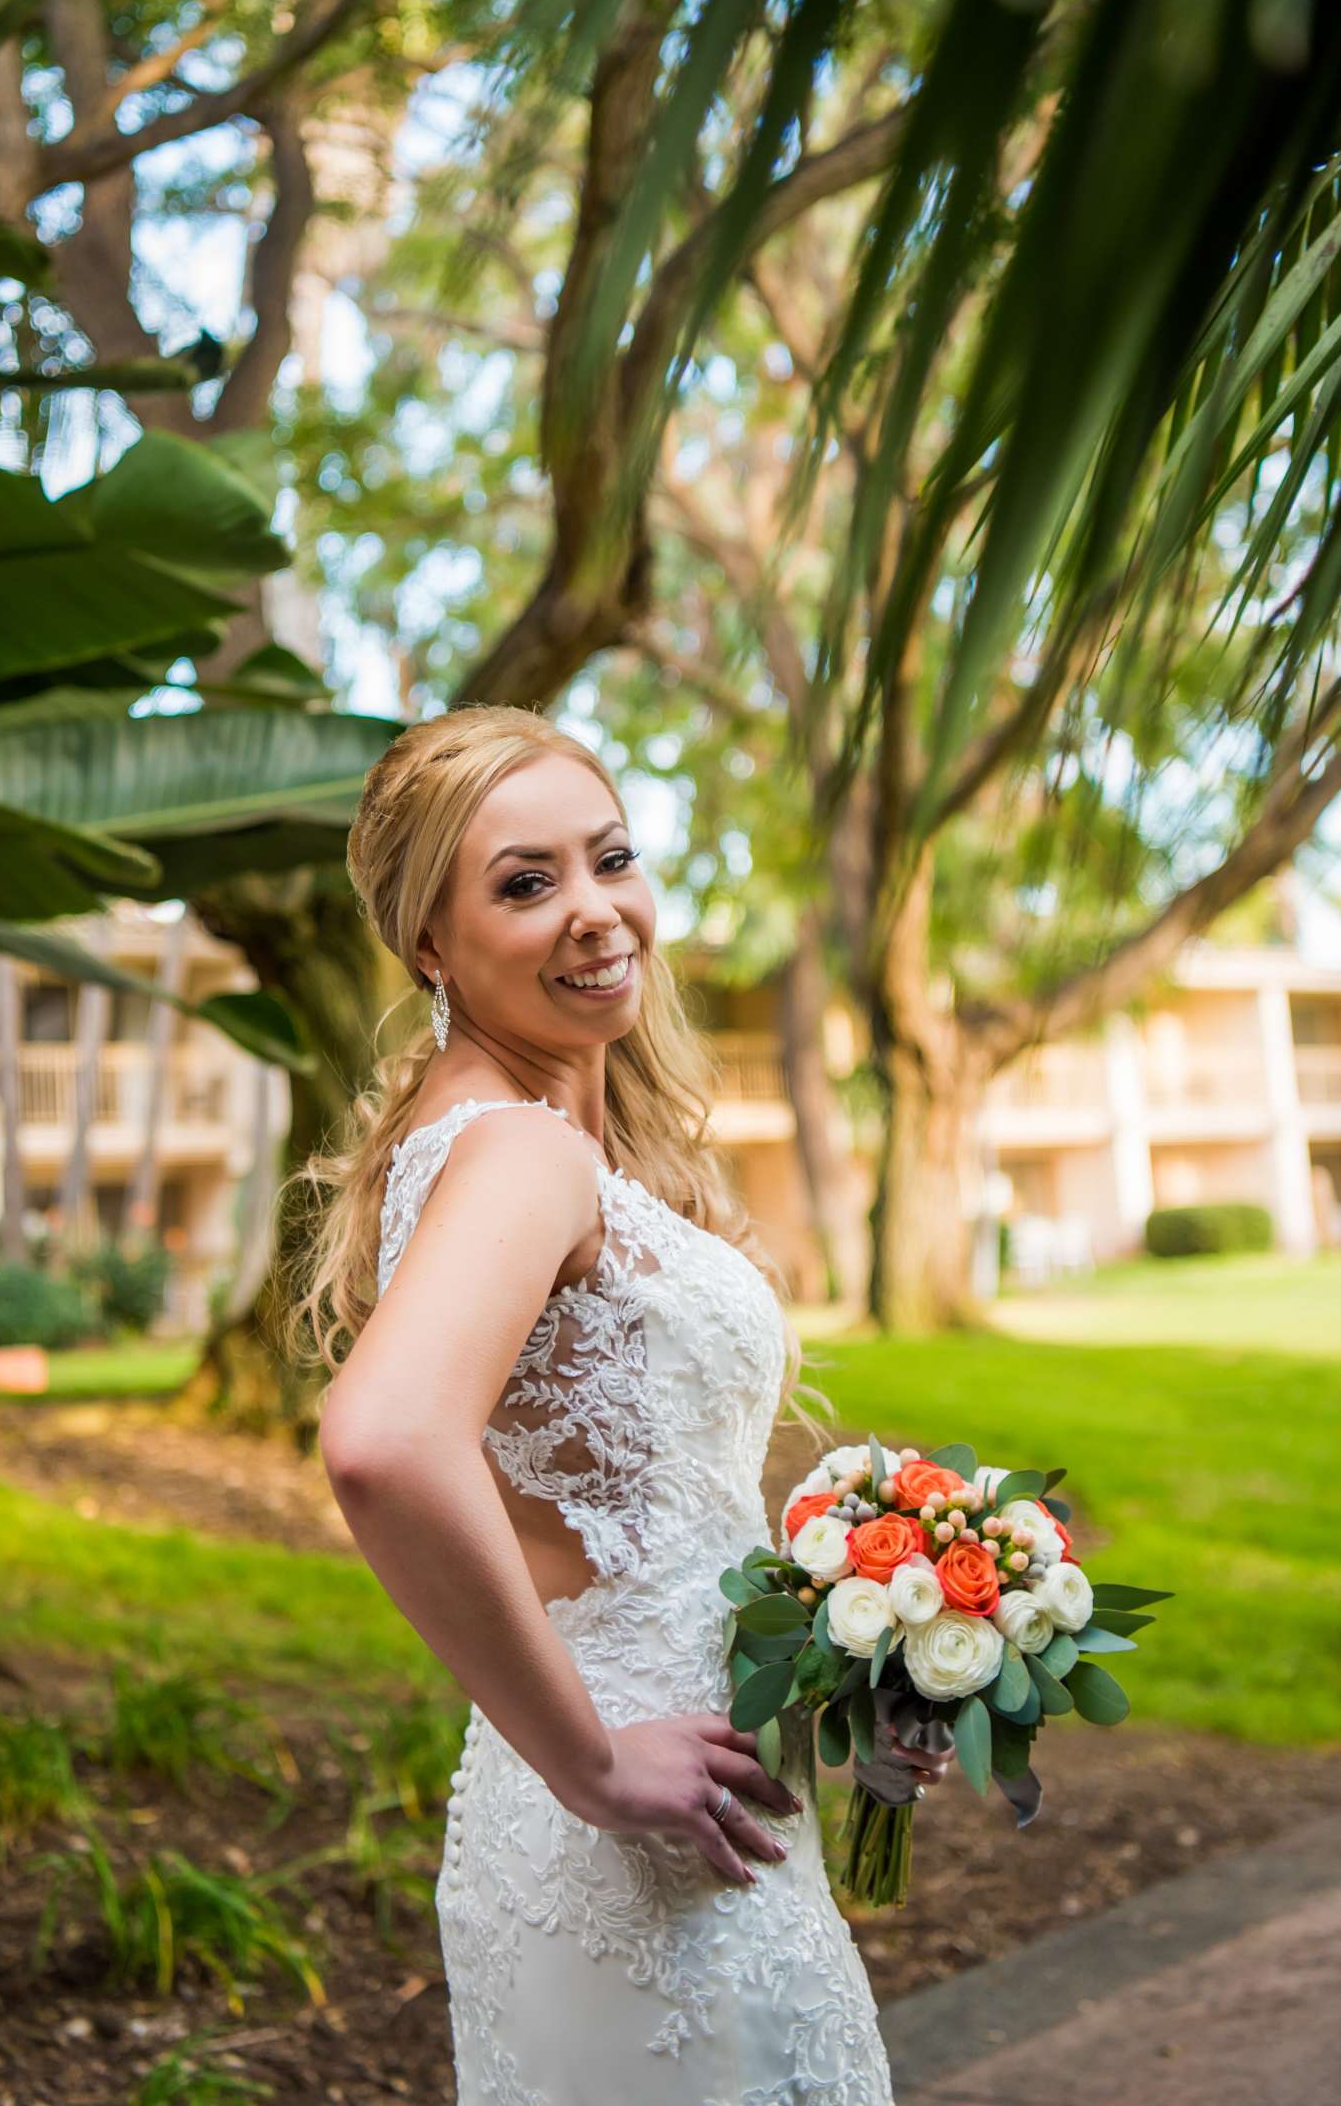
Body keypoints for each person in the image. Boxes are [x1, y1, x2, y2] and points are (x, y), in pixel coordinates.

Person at [292, 706, 953, 2104]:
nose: (596, 915)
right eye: (525, 885)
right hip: (639, 1833)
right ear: (427, 943)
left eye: (610, 860)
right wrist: (592, 1765)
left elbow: (642, 1507)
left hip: (690, 1801)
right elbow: (381, 1441)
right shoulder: (521, 1152)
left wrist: (866, 1653)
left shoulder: (548, 1141)